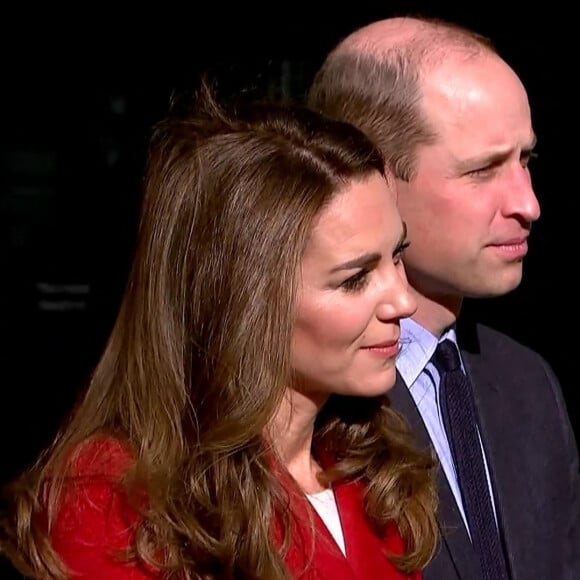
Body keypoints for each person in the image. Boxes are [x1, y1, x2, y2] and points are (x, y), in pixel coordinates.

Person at [0, 85, 439, 579]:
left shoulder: (374, 470)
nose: (404, 301)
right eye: (355, 278)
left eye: (397, 255)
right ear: (242, 301)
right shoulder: (117, 501)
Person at [307, 15, 580, 580]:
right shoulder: (301, 402)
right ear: (372, 175)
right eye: (483, 170)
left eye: (525, 161)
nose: (527, 204)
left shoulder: (527, 385)